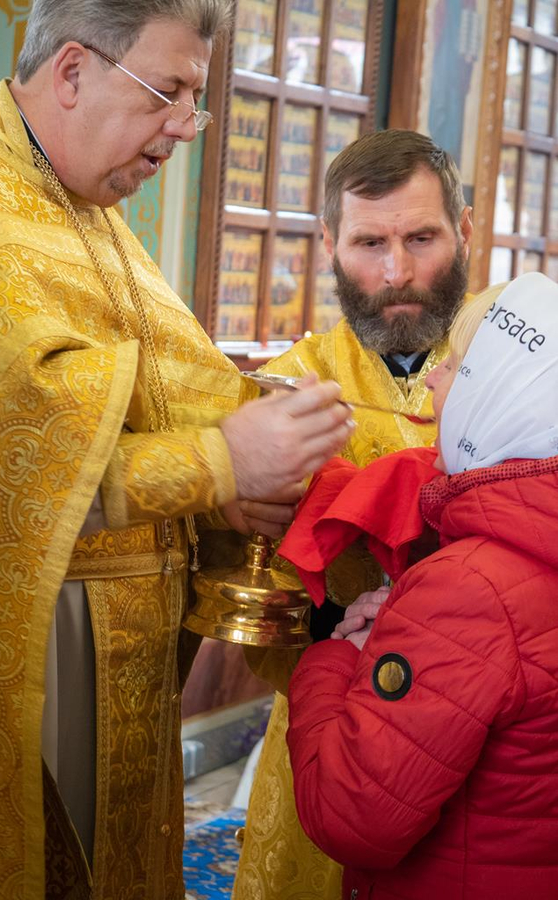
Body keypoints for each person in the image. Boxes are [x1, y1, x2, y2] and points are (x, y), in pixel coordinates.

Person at [0, 3, 354, 899]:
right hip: (31, 649)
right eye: (166, 92)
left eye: (196, 100)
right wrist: (219, 465)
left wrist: (246, 475)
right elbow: (0, 463)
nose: (183, 128)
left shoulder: (80, 202)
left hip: (129, 659)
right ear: (71, 72)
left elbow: (164, 389)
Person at [233, 129, 474, 900]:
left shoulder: (524, 373)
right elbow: (254, 612)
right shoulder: (283, 395)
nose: (396, 273)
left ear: (465, 232)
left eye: (422, 238)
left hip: (486, 733)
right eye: (369, 242)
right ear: (330, 243)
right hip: (330, 725)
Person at [284, 272, 558, 900]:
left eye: (459, 365)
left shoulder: (469, 589)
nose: (434, 378)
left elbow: (352, 816)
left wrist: (338, 657)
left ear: (504, 395)